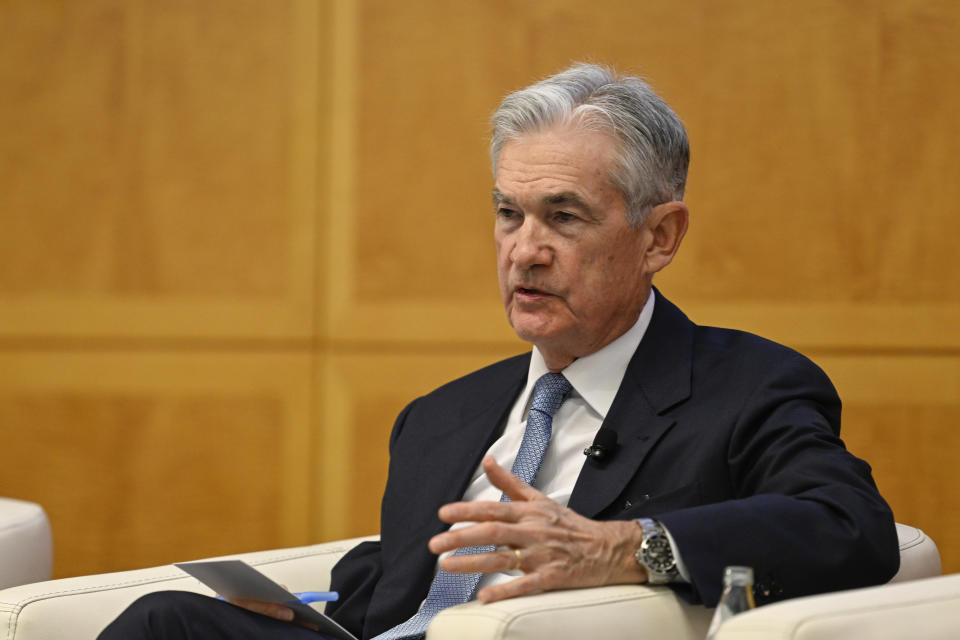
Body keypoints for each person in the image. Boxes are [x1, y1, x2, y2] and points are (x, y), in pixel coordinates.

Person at [100, 62, 900, 640]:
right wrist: (306, 607)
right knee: (169, 623)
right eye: (508, 214)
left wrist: (624, 547)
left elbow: (850, 527)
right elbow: (403, 587)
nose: (526, 251)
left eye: (564, 216)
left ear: (660, 236)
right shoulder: (441, 417)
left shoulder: (747, 387)